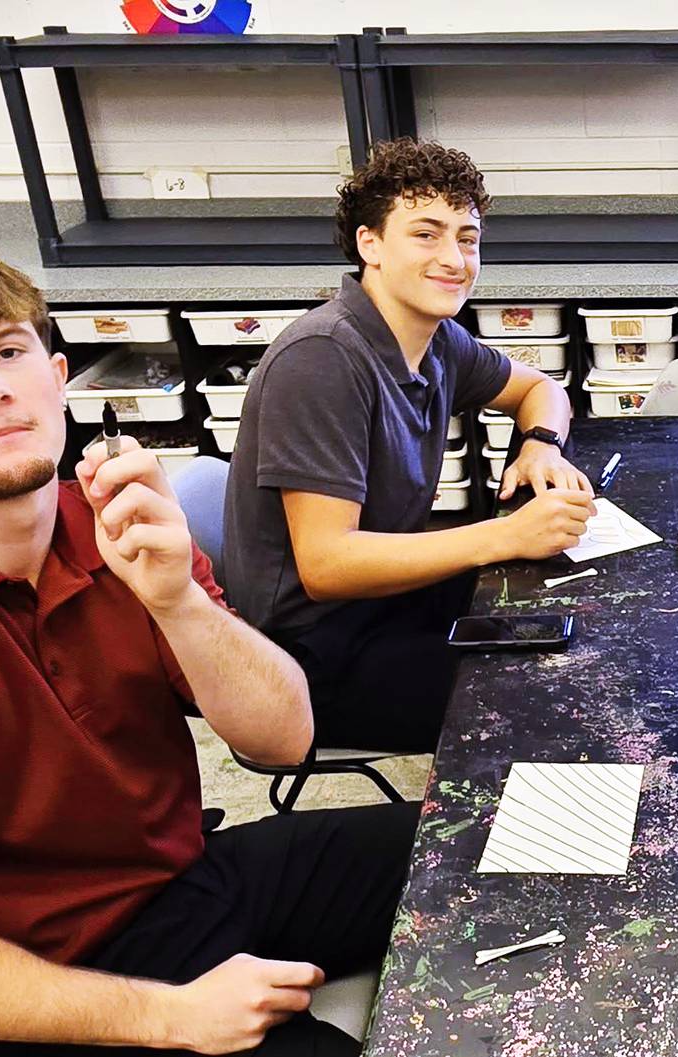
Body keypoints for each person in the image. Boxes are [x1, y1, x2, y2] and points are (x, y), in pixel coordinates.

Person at [0, 243, 417, 1057]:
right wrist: (166, 1015)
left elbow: (285, 738)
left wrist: (178, 601)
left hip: (184, 878)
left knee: (481, 846)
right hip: (41, 984)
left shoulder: (114, 524)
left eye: (6, 351)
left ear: (59, 378)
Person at [224, 139, 596, 753]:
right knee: (551, 699)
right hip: (310, 656)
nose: (454, 258)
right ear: (369, 244)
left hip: (389, 600)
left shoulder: (436, 338)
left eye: (467, 239)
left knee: (576, 619)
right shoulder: (322, 358)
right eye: (426, 235)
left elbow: (542, 389)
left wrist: (540, 446)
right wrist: (505, 534)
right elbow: (326, 565)